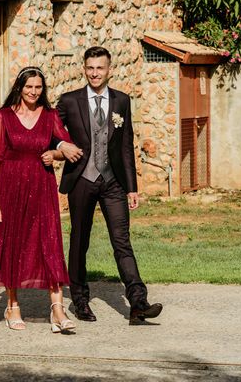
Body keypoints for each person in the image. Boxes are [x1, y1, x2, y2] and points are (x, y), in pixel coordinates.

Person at [56, 46, 163, 325]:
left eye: (100, 68)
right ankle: (80, 300)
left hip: (113, 181)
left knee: (122, 240)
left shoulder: (122, 101)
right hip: (81, 179)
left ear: (109, 69)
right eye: (90, 68)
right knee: (80, 240)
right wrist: (61, 145)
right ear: (84, 69)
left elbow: (125, 146)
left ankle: (138, 302)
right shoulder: (69, 101)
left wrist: (132, 187)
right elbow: (50, 132)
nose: (94, 73)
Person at [0, 66, 77, 333]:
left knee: (49, 244)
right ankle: (12, 305)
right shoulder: (3, 117)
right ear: (19, 87)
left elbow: (65, 146)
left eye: (38, 88)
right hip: (10, 188)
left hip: (42, 186)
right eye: (29, 87)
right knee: (13, 245)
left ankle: (58, 309)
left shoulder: (50, 115)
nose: (34, 92)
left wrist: (55, 154)